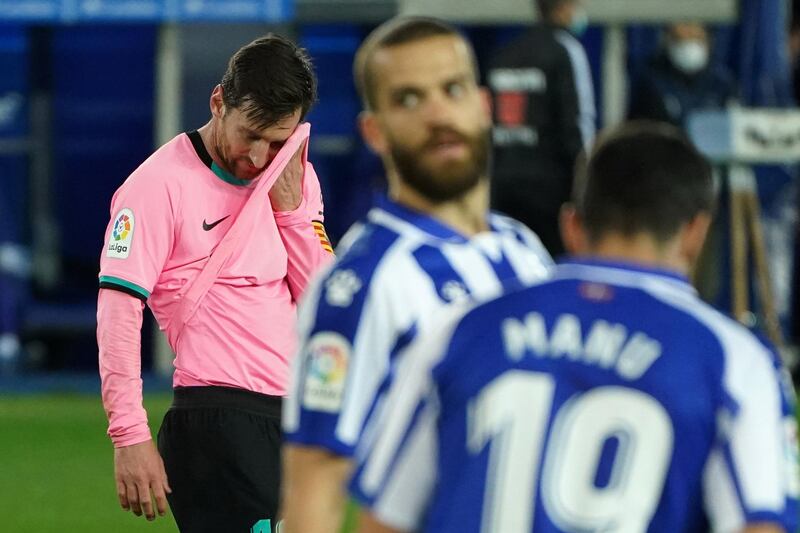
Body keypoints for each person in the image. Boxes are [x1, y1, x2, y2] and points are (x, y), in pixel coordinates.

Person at [350, 121, 799, 533]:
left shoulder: (458, 331)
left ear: (572, 225)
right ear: (695, 233)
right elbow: (759, 525)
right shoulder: (733, 360)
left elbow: (383, 520)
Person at [280, 17, 553, 533]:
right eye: (408, 99)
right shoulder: (364, 284)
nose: (437, 114)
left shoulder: (524, 251)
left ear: (483, 104)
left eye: (451, 90)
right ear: (374, 132)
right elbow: (316, 487)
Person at [97, 34, 333, 532]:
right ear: (218, 101)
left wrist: (291, 212)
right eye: (251, 134)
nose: (261, 156)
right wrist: (129, 434)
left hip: (295, 421)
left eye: (278, 139)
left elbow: (327, 304)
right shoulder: (157, 185)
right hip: (219, 419)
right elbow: (118, 309)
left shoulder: (293, 175)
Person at [487, 0, 596, 257]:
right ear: (567, 6)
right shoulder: (565, 50)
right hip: (552, 196)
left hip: (503, 190)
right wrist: (586, 188)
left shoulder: (506, 53)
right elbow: (578, 125)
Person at [628, 21, 737, 128]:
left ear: (708, 40)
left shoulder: (722, 82)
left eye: (695, 39)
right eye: (680, 40)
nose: (688, 47)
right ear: (667, 39)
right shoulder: (650, 80)